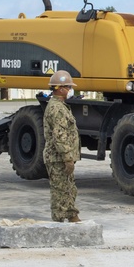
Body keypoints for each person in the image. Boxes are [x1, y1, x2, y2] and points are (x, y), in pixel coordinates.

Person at [43, 70, 81, 223]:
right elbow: (60, 136)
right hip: (57, 158)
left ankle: (72, 216)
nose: (70, 90)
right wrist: (67, 158)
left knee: (69, 189)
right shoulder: (57, 109)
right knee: (60, 192)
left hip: (61, 157)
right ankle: (58, 223)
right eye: (68, 87)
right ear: (60, 88)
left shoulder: (61, 106)